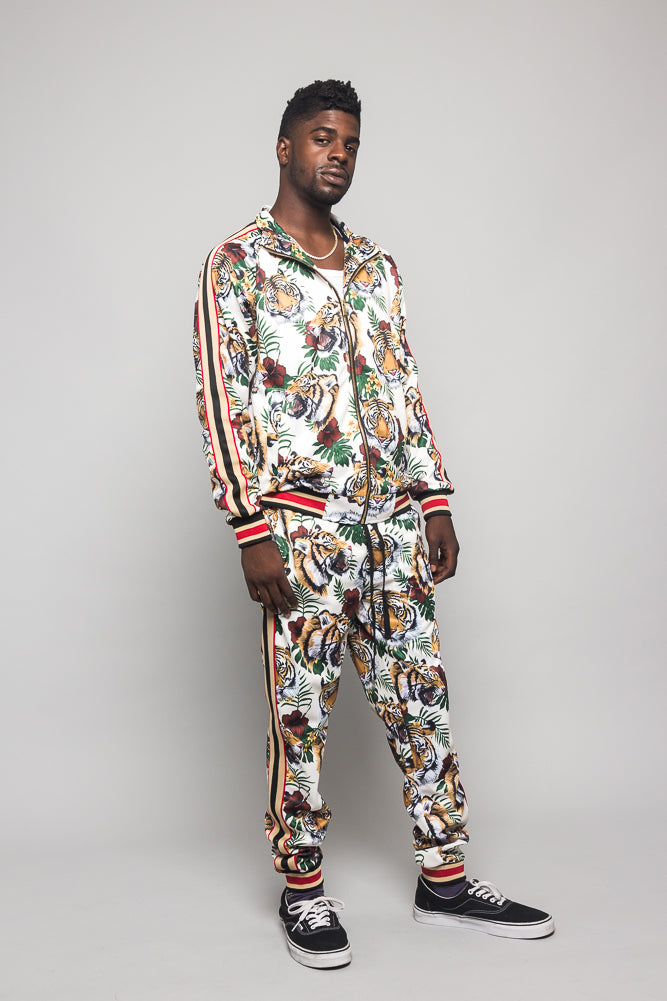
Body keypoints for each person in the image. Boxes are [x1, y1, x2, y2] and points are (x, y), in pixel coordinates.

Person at [193, 79, 554, 969]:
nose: (338, 154)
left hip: (393, 528)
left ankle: (445, 878)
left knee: (420, 698)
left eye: (350, 142)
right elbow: (221, 398)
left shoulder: (376, 266)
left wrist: (434, 497)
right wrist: (249, 526)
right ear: (285, 147)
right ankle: (302, 889)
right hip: (302, 527)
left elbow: (401, 384)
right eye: (322, 138)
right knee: (301, 714)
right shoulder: (237, 262)